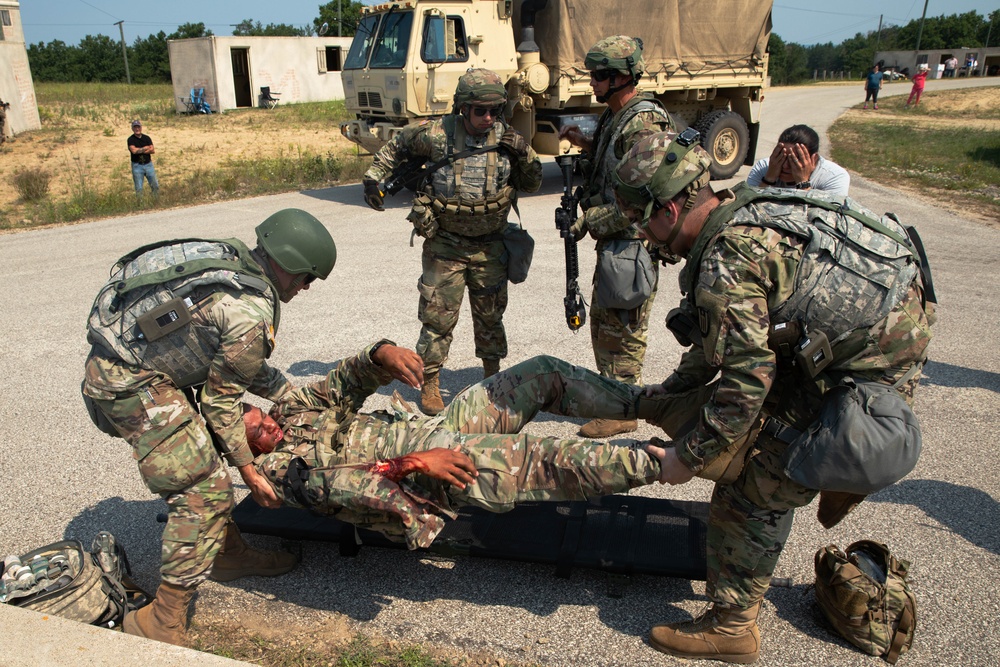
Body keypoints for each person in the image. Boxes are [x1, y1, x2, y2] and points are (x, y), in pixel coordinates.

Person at [611, 131, 934, 663]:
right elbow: (725, 339)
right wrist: (669, 391)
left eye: (644, 221)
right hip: (888, 313)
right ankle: (828, 460)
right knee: (764, 432)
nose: (646, 236)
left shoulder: (727, 255)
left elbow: (746, 379)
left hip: (875, 353)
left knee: (757, 471)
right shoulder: (741, 206)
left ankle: (732, 626)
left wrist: (683, 460)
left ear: (669, 208)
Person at [81, 209, 338, 646]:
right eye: (306, 277)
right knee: (205, 491)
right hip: (129, 384)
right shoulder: (250, 312)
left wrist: (289, 395)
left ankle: (228, 554)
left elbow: (233, 363)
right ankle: (164, 619)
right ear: (290, 265)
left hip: (131, 366)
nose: (306, 287)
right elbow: (221, 402)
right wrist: (249, 472)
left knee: (205, 465)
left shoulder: (235, 262)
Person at [246, 344, 666, 546]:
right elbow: (338, 487)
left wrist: (378, 355)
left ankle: (657, 405)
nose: (270, 424)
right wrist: (414, 464)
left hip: (433, 432)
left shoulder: (289, 411)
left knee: (541, 373)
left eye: (261, 415)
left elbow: (342, 385)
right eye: (258, 432)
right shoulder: (272, 472)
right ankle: (668, 462)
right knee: (545, 458)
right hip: (428, 477)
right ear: (243, 448)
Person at [362, 69, 542, 416]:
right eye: (479, 110)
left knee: (490, 317)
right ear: (462, 108)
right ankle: (429, 383)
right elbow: (397, 146)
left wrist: (525, 154)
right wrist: (373, 179)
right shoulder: (436, 134)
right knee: (437, 318)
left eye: (494, 110)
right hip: (446, 244)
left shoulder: (508, 138)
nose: (488, 118)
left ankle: (493, 378)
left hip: (490, 245)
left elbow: (531, 184)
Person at [557, 35, 675, 439]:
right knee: (607, 324)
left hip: (633, 241)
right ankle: (616, 401)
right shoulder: (616, 116)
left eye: (598, 76)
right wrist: (584, 143)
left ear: (621, 77)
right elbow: (616, 166)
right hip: (618, 242)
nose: (592, 83)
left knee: (621, 329)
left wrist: (589, 220)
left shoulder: (644, 121)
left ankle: (623, 410)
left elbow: (645, 196)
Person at [746, 125, 850, 195]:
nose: (785, 166)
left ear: (814, 159)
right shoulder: (763, 168)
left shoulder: (835, 177)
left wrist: (803, 183)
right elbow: (746, 209)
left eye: (794, 160)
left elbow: (827, 222)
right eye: (782, 157)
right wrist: (768, 179)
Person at [128, 119, 159, 195]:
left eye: (138, 127)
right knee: (139, 188)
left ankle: (156, 202)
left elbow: (152, 150)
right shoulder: (130, 139)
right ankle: (140, 204)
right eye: (135, 127)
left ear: (141, 128)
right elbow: (134, 151)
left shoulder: (146, 138)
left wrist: (139, 150)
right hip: (137, 166)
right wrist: (145, 148)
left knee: (155, 185)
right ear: (132, 128)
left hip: (148, 165)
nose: (137, 129)